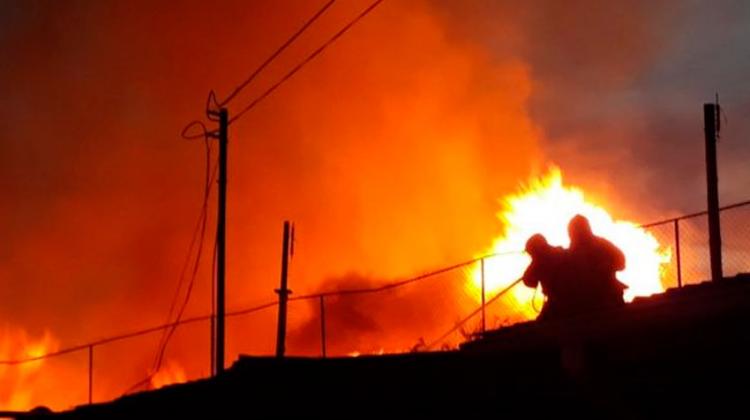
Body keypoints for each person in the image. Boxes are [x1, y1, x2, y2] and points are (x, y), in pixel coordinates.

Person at [566, 214, 627, 310]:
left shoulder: (601, 244)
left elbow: (621, 261)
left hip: (608, 296)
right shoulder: (571, 252)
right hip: (584, 300)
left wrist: (607, 266)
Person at [522, 234, 571, 321]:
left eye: (531, 253)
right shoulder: (562, 252)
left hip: (557, 303)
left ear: (535, 250)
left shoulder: (538, 263)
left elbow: (529, 281)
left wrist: (534, 265)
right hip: (572, 297)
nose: (531, 256)